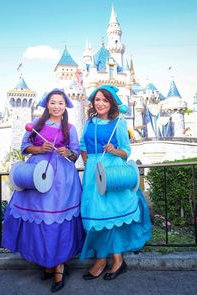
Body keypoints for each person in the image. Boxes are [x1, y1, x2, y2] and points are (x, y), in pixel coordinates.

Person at [2, 89, 85, 293]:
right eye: (53, 102)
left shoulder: (71, 128)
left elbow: (75, 156)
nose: (57, 106)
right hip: (37, 176)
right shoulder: (36, 124)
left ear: (65, 106)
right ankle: (47, 262)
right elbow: (24, 147)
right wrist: (41, 149)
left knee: (57, 221)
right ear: (47, 105)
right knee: (39, 220)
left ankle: (59, 267)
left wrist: (68, 152)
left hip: (62, 183)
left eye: (61, 103)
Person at [80, 85, 151, 281]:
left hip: (111, 172)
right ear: (93, 103)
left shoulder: (118, 123)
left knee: (111, 216)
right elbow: (83, 146)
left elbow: (126, 151)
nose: (100, 103)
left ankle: (117, 260)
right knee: (95, 218)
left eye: (105, 100)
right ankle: (101, 260)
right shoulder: (89, 122)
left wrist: (113, 150)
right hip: (93, 173)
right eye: (97, 100)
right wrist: (88, 163)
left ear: (111, 103)